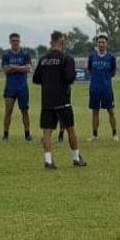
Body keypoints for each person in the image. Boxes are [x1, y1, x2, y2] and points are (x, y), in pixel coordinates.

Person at [33, 30, 87, 169]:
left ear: (51, 41)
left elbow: (36, 79)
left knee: (47, 131)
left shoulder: (43, 59)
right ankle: (76, 158)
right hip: (63, 100)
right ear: (62, 41)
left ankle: (48, 161)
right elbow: (69, 78)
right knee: (70, 129)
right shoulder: (66, 58)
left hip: (47, 101)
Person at [1, 33, 34, 142]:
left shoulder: (25, 54)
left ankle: (27, 134)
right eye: (13, 40)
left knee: (24, 111)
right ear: (10, 42)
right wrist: (21, 68)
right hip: (10, 87)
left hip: (22, 87)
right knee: (8, 111)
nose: (15, 42)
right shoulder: (6, 55)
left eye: (17, 40)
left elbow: (29, 69)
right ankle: (5, 135)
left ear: (20, 41)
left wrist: (14, 67)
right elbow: (6, 70)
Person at [87, 34, 118, 141]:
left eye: (103, 42)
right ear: (97, 44)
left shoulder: (111, 57)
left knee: (111, 111)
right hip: (94, 89)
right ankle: (95, 135)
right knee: (95, 112)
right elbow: (90, 70)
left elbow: (113, 73)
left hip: (107, 89)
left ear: (107, 44)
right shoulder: (92, 57)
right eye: (99, 42)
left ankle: (114, 134)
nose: (101, 44)